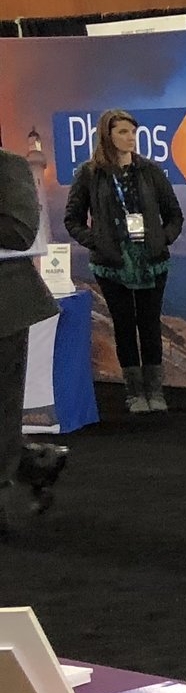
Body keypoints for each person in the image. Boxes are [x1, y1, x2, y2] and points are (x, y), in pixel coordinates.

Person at [64, 110, 184, 416]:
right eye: (123, 132)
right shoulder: (89, 174)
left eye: (133, 132)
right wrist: (98, 242)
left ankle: (154, 390)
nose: (130, 138)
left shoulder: (150, 171)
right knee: (124, 326)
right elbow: (73, 219)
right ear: (108, 135)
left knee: (149, 323)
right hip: (111, 265)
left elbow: (174, 214)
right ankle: (133, 392)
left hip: (151, 262)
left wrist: (162, 239)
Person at [0, 145, 65, 537]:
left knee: (2, 407)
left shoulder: (9, 166)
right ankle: (38, 462)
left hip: (6, 307)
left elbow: (21, 232)